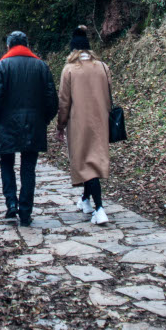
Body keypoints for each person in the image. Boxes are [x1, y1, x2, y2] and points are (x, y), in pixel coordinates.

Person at [0, 30, 58, 227]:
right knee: (28, 168)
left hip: (5, 124)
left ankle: (11, 204)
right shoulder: (41, 67)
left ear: (8, 46)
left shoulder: (0, 66)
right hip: (33, 124)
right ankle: (26, 212)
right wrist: (43, 119)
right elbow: (52, 100)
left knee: (6, 163)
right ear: (27, 45)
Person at [55, 25, 112, 225]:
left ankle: (99, 208)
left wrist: (60, 125)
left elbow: (64, 101)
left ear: (73, 50)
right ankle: (85, 199)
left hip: (79, 123)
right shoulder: (103, 67)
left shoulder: (69, 70)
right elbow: (109, 96)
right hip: (100, 122)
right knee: (93, 160)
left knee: (86, 163)